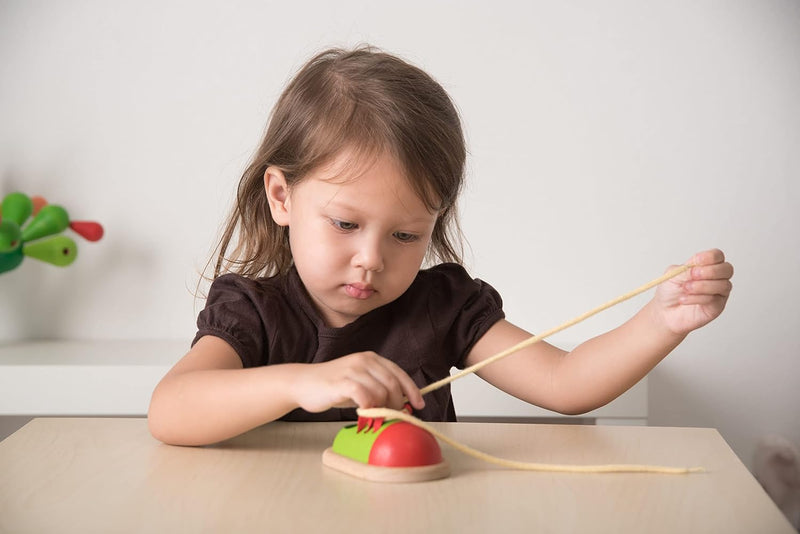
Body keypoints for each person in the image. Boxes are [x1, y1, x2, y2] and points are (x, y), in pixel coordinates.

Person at [147, 46, 734, 446]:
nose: (373, 258)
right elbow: (171, 409)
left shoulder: (443, 307)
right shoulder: (251, 312)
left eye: (406, 235)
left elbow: (567, 382)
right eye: (346, 225)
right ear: (281, 197)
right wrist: (305, 381)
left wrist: (664, 320)